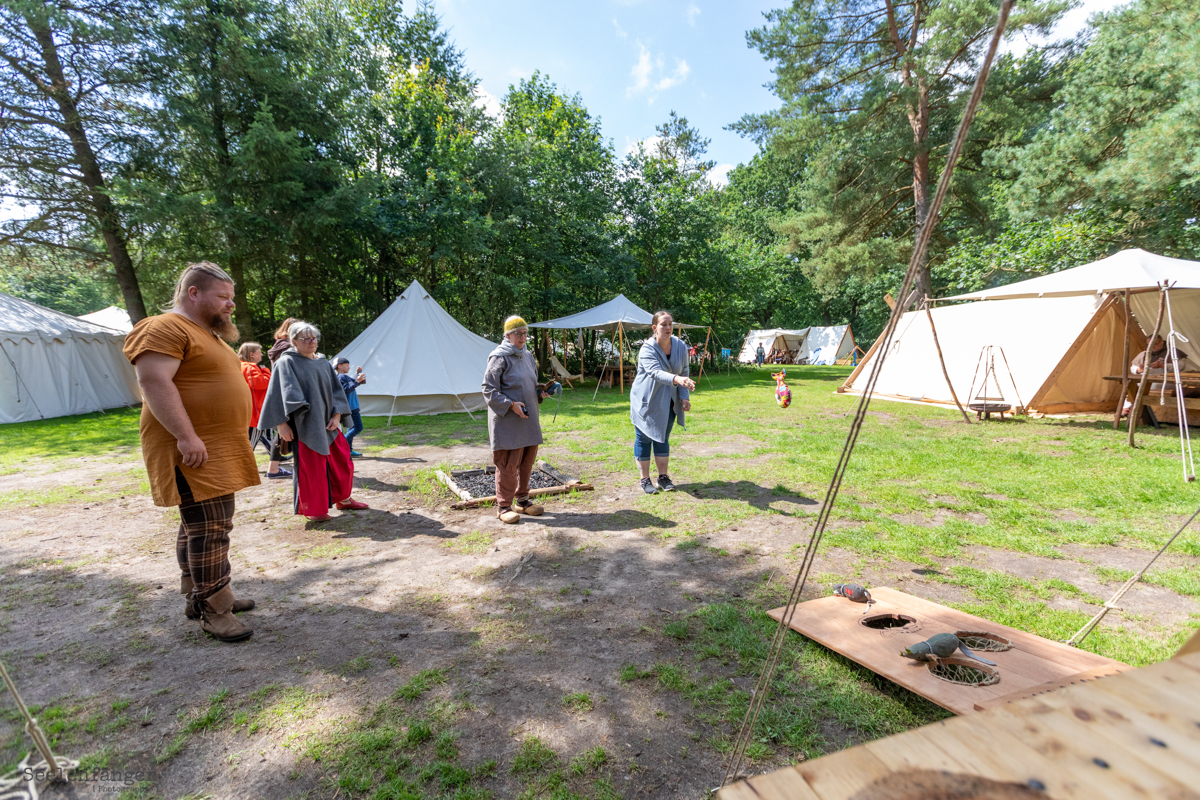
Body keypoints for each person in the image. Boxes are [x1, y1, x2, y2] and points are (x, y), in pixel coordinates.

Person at [123, 262, 259, 643]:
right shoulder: (164, 326)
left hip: (214, 446)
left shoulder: (206, 334)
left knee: (198, 524)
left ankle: (201, 595)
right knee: (211, 526)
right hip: (193, 448)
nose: (231, 304)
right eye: (223, 296)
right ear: (193, 293)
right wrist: (186, 436)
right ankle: (215, 611)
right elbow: (153, 380)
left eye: (232, 297)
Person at [257, 321, 369, 522]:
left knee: (343, 459)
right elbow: (276, 394)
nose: (312, 342)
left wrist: (337, 415)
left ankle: (343, 498)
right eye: (306, 339)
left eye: (314, 338)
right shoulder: (286, 362)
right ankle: (315, 509)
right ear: (293, 341)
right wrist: (281, 424)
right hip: (304, 425)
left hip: (329, 423)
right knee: (312, 468)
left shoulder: (323, 362)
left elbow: (336, 392)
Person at [482, 316, 551, 524]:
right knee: (508, 463)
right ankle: (503, 506)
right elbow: (488, 389)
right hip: (507, 420)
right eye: (518, 333)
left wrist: (540, 392)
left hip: (528, 418)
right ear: (508, 335)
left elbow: (530, 383)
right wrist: (511, 404)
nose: (523, 337)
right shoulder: (499, 357)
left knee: (527, 460)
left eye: (525, 333)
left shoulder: (527, 356)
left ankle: (522, 501)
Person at [630, 310, 696, 494]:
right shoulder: (647, 348)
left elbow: (684, 370)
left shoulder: (680, 346)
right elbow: (655, 372)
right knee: (644, 438)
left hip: (669, 401)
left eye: (670, 324)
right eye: (663, 324)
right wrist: (677, 379)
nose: (668, 328)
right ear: (654, 327)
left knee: (662, 437)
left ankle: (663, 478)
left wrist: (684, 396)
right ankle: (645, 480)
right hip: (645, 400)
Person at [238, 342, 274, 456]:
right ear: (252, 354)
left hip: (248, 412)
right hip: (254, 414)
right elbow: (264, 383)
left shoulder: (240, 365)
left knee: (247, 443)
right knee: (249, 446)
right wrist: (266, 371)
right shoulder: (250, 367)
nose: (262, 355)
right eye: (260, 352)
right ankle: (244, 465)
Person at [335, 357, 366, 457]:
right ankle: (342, 441)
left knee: (351, 427)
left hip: (353, 406)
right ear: (339, 366)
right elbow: (347, 390)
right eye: (347, 365)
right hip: (350, 408)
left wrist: (359, 374)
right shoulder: (340, 378)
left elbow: (359, 382)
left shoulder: (346, 377)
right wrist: (357, 381)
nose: (349, 367)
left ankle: (348, 450)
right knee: (358, 427)